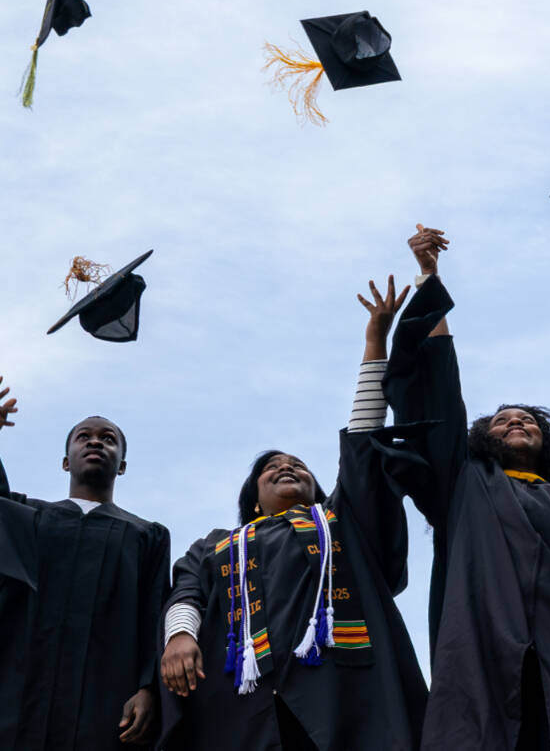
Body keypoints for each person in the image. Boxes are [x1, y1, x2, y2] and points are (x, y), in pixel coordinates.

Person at [380, 225, 550, 751]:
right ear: (479, 439)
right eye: (502, 419)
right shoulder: (464, 487)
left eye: (527, 419)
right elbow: (439, 395)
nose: (515, 421)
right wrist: (429, 280)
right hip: (477, 670)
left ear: (548, 440)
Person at [157, 277, 429, 751]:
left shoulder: (341, 522)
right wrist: (178, 638)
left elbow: (363, 443)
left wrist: (374, 343)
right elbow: (187, 594)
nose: (285, 465)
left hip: (344, 694)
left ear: (317, 488)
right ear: (254, 499)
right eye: (270, 468)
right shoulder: (219, 544)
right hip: (241, 704)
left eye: (297, 465)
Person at [0, 382, 172, 747]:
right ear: (66, 461)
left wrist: (148, 688)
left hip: (104, 704)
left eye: (108, 439)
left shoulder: (146, 536)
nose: (96, 442)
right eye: (83, 437)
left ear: (123, 466)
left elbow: (153, 615)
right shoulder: (28, 517)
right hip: (16, 695)